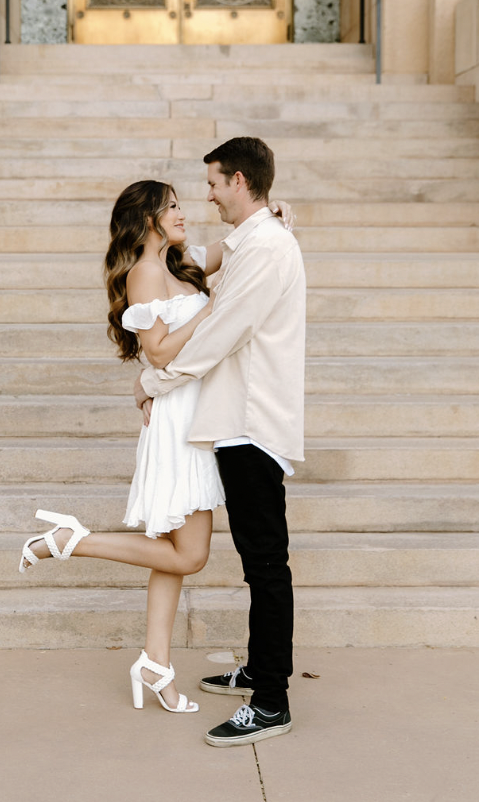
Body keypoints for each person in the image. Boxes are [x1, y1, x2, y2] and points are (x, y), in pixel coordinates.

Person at [18, 178, 294, 716]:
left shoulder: (178, 262)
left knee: (171, 557)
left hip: (198, 412)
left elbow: (232, 249)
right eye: (171, 207)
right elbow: (161, 354)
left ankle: (156, 663)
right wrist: (215, 315)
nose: (184, 213)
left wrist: (269, 214)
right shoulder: (146, 273)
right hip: (180, 421)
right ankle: (75, 540)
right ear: (147, 218)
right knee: (190, 554)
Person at [134, 137, 306, 748]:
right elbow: (207, 260)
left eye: (211, 184)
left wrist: (154, 379)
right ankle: (260, 671)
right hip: (234, 418)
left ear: (237, 180)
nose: (205, 196)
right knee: (258, 560)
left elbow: (221, 335)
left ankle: (271, 700)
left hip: (251, 422)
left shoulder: (265, 249)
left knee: (265, 563)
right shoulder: (254, 242)